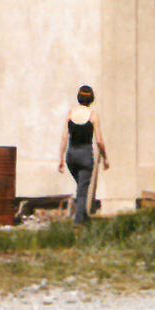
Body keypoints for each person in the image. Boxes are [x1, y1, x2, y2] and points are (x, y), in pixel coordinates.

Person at [58, 83, 108, 225]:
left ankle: (84, 216)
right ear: (91, 99)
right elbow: (99, 140)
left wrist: (61, 159)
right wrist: (105, 158)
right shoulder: (93, 115)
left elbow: (64, 138)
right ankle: (79, 222)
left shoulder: (70, 114)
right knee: (82, 190)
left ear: (78, 98)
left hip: (71, 155)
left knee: (81, 187)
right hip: (85, 154)